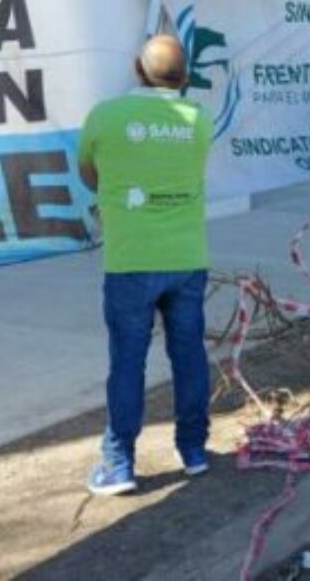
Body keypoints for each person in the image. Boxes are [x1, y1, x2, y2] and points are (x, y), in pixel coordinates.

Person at [77, 34, 215, 495]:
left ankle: (119, 465)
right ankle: (194, 451)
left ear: (138, 69)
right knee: (190, 355)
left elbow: (89, 172)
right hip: (186, 258)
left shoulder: (106, 115)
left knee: (128, 363)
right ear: (186, 77)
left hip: (131, 259)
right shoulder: (200, 119)